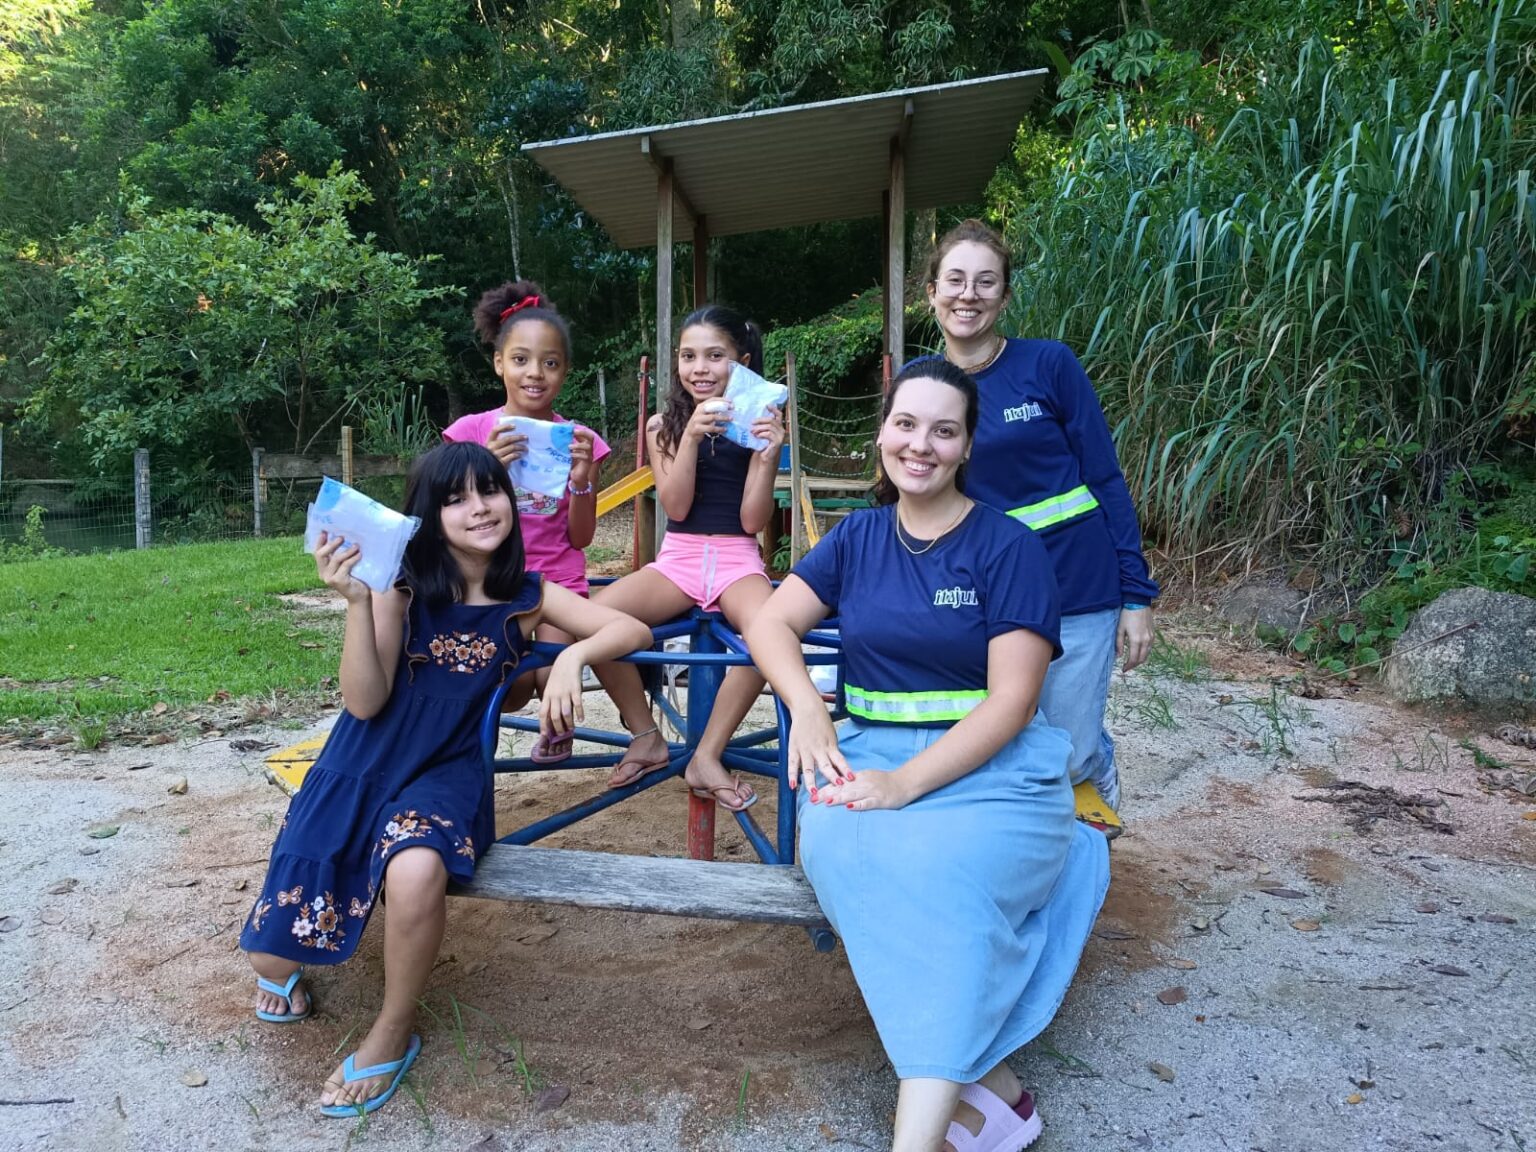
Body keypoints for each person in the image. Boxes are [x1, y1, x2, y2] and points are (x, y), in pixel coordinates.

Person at [746, 360, 1109, 1152]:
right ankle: (998, 1094)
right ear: (882, 433)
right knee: (842, 850)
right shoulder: (857, 537)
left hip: (997, 772)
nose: (921, 445)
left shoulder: (1010, 546)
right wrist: (807, 708)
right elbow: (769, 623)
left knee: (941, 874)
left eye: (944, 430)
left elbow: (1012, 703)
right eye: (906, 424)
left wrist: (905, 785)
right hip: (866, 753)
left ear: (968, 445)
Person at [239, 442, 651, 1118]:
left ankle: (392, 1028)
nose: (479, 508)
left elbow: (630, 628)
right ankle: (279, 964)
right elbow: (365, 703)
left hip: (446, 771)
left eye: (489, 491)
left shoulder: (528, 594)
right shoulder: (398, 583)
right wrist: (357, 602)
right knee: (271, 962)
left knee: (415, 865)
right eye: (455, 499)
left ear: (510, 501)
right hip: (362, 761)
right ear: (429, 516)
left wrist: (572, 657)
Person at [923, 218, 1158, 816]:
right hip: (980, 593)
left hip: (1077, 584)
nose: (968, 295)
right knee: (1002, 738)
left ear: (1004, 296)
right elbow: (907, 493)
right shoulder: (922, 384)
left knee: (1069, 753)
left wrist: (1136, 595)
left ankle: (1095, 770)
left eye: (985, 282)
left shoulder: (1049, 364)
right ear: (932, 292)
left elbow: (1105, 477)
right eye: (955, 280)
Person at [591, 304, 785, 810]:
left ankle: (707, 754)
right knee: (590, 620)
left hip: (738, 559)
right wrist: (693, 436)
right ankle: (645, 734)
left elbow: (752, 521)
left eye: (715, 356)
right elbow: (675, 507)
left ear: (741, 362)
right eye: (688, 356)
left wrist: (768, 457)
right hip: (678, 559)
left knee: (774, 634)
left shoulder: (758, 421)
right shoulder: (663, 426)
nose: (700, 368)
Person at [443, 281, 642, 765]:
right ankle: (462, 752)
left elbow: (581, 537)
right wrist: (484, 467)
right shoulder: (470, 433)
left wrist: (581, 481)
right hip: (491, 581)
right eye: (520, 360)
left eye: (550, 363)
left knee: (551, 675)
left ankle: (561, 722)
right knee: (510, 689)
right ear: (499, 363)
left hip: (559, 581)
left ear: (565, 370)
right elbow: (444, 519)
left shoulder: (580, 440)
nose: (535, 373)